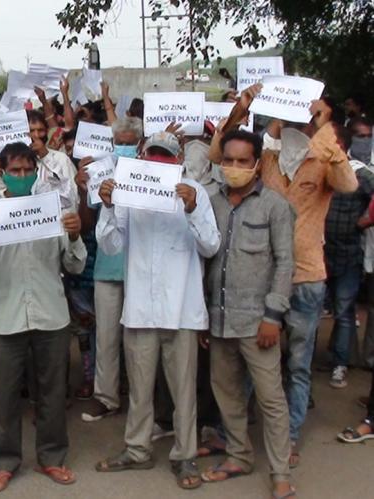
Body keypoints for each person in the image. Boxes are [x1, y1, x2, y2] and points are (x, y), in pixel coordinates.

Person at [212, 86, 358, 466]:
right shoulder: (270, 160)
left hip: (306, 276)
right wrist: (266, 112)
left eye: (308, 114)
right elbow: (220, 156)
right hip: (264, 278)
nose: (302, 119)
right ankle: (238, 438)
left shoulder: (324, 160)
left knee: (297, 363)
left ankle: (289, 437)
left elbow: (350, 185)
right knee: (253, 360)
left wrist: (325, 128)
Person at [95, 131, 220, 490]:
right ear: (141, 154)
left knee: (183, 390)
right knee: (139, 388)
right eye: (153, 153)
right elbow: (110, 244)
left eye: (165, 155)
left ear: (178, 156)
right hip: (140, 308)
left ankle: (185, 456)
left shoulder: (194, 191)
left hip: (182, 309)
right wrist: (107, 206)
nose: (158, 160)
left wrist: (193, 209)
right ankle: (137, 450)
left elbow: (211, 246)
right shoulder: (127, 191)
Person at [0, 142, 87, 492]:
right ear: (1, 173)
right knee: (4, 395)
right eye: (13, 171)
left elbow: (73, 265)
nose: (21, 176)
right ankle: (5, 461)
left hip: (50, 316)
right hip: (5, 318)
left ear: (37, 172)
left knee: (51, 392)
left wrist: (75, 236)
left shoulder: (54, 210)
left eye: (26, 170)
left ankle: (52, 457)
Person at [200, 130, 296, 499]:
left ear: (257, 164)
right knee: (226, 394)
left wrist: (274, 315)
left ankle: (281, 472)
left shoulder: (274, 205)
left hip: (259, 322)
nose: (235, 168)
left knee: (271, 400)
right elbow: (204, 261)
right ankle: (239, 454)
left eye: (243, 161)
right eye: (228, 160)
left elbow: (286, 263)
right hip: (219, 318)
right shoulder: (210, 202)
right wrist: (203, 317)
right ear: (220, 162)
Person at [81, 117, 141, 422]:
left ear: (139, 144)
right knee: (105, 336)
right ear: (113, 143)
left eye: (131, 143)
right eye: (122, 143)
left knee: (139, 338)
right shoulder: (99, 170)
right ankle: (105, 397)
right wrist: (83, 188)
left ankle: (141, 398)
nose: (126, 148)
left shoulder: (149, 174)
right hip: (107, 268)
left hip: (140, 269)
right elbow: (89, 222)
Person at [323, 125, 374, 388]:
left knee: (343, 311)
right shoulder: (316, 169)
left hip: (348, 255)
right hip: (317, 254)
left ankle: (340, 364)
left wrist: (362, 223)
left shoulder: (362, 175)